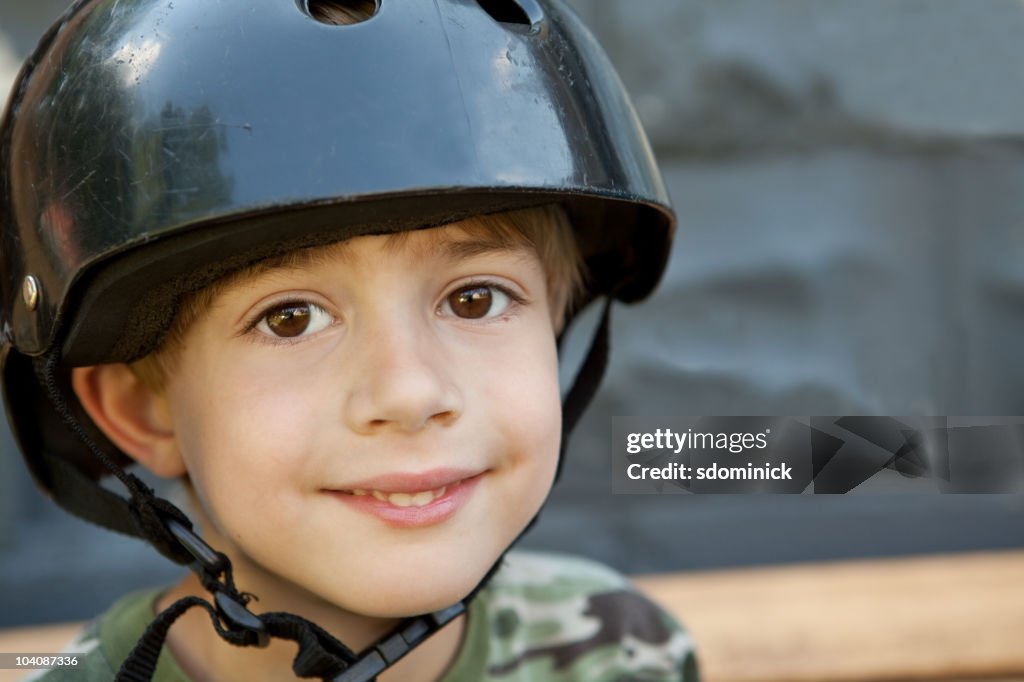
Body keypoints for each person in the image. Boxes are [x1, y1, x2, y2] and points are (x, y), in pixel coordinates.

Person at [0, 0, 697, 679]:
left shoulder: (621, 651)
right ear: (140, 410)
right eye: (290, 318)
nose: (411, 393)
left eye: (474, 299)